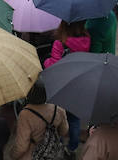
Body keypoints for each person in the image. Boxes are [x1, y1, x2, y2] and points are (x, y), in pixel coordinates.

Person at [44, 20, 90, 153]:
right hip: (78, 85)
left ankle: (59, 144)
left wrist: (46, 62)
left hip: (61, 87)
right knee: (74, 119)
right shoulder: (86, 40)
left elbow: (55, 66)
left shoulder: (60, 43)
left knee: (58, 118)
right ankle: (72, 147)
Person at [12, 78, 69, 160]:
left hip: (32, 154)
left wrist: (13, 155)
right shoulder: (58, 109)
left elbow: (22, 146)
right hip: (51, 153)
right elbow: (64, 131)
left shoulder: (25, 114)